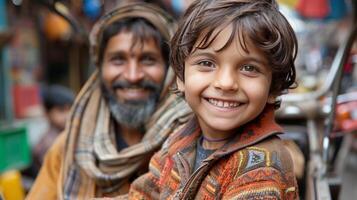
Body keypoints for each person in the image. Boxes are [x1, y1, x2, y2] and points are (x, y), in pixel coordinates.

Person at [129, 0, 299, 199]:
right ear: (180, 76)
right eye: (207, 63)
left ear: (273, 88)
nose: (226, 83)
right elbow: (144, 193)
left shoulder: (262, 169)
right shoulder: (182, 139)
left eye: (249, 68)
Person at [27, 2, 191, 199]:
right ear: (100, 68)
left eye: (148, 59)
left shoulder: (188, 144)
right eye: (118, 60)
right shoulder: (68, 148)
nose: (132, 75)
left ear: (169, 70)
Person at [33, 85, 74, 172]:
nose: (67, 115)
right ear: (47, 113)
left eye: (70, 109)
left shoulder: (70, 135)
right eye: (61, 110)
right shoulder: (46, 145)